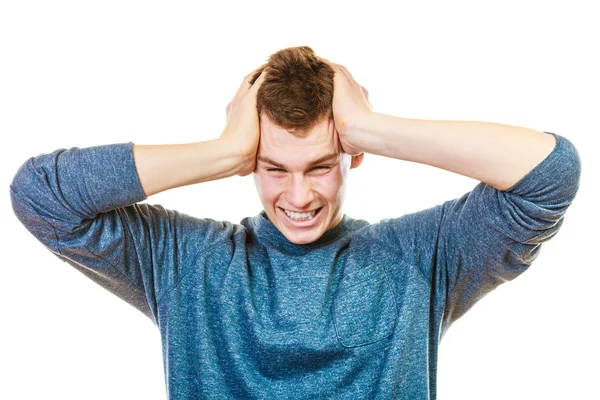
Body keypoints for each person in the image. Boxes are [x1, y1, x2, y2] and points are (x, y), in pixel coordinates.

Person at [9, 46, 581, 399]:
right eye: (273, 168)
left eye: (321, 166)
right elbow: (40, 196)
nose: (299, 195)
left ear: (352, 154)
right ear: (246, 162)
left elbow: (551, 173)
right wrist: (223, 149)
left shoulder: (420, 256)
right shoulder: (184, 261)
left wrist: (373, 128)